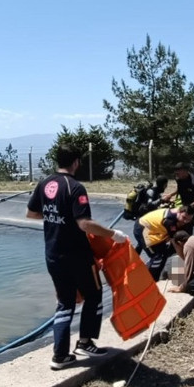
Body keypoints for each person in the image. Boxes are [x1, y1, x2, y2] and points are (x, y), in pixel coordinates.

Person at [26, 143, 128, 369]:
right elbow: (85, 224)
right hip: (77, 256)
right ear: (76, 162)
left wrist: (56, 216)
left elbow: (31, 213)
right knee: (94, 295)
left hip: (52, 254)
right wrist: (113, 234)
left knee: (65, 303)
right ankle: (85, 342)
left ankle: (60, 356)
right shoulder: (75, 188)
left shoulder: (44, 184)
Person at [134, 204, 193, 280]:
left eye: (188, 220)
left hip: (156, 230)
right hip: (143, 229)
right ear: (179, 212)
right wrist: (185, 259)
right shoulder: (169, 221)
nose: (185, 221)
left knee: (164, 254)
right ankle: (150, 280)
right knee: (157, 256)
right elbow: (175, 243)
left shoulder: (178, 213)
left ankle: (155, 275)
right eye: (184, 218)